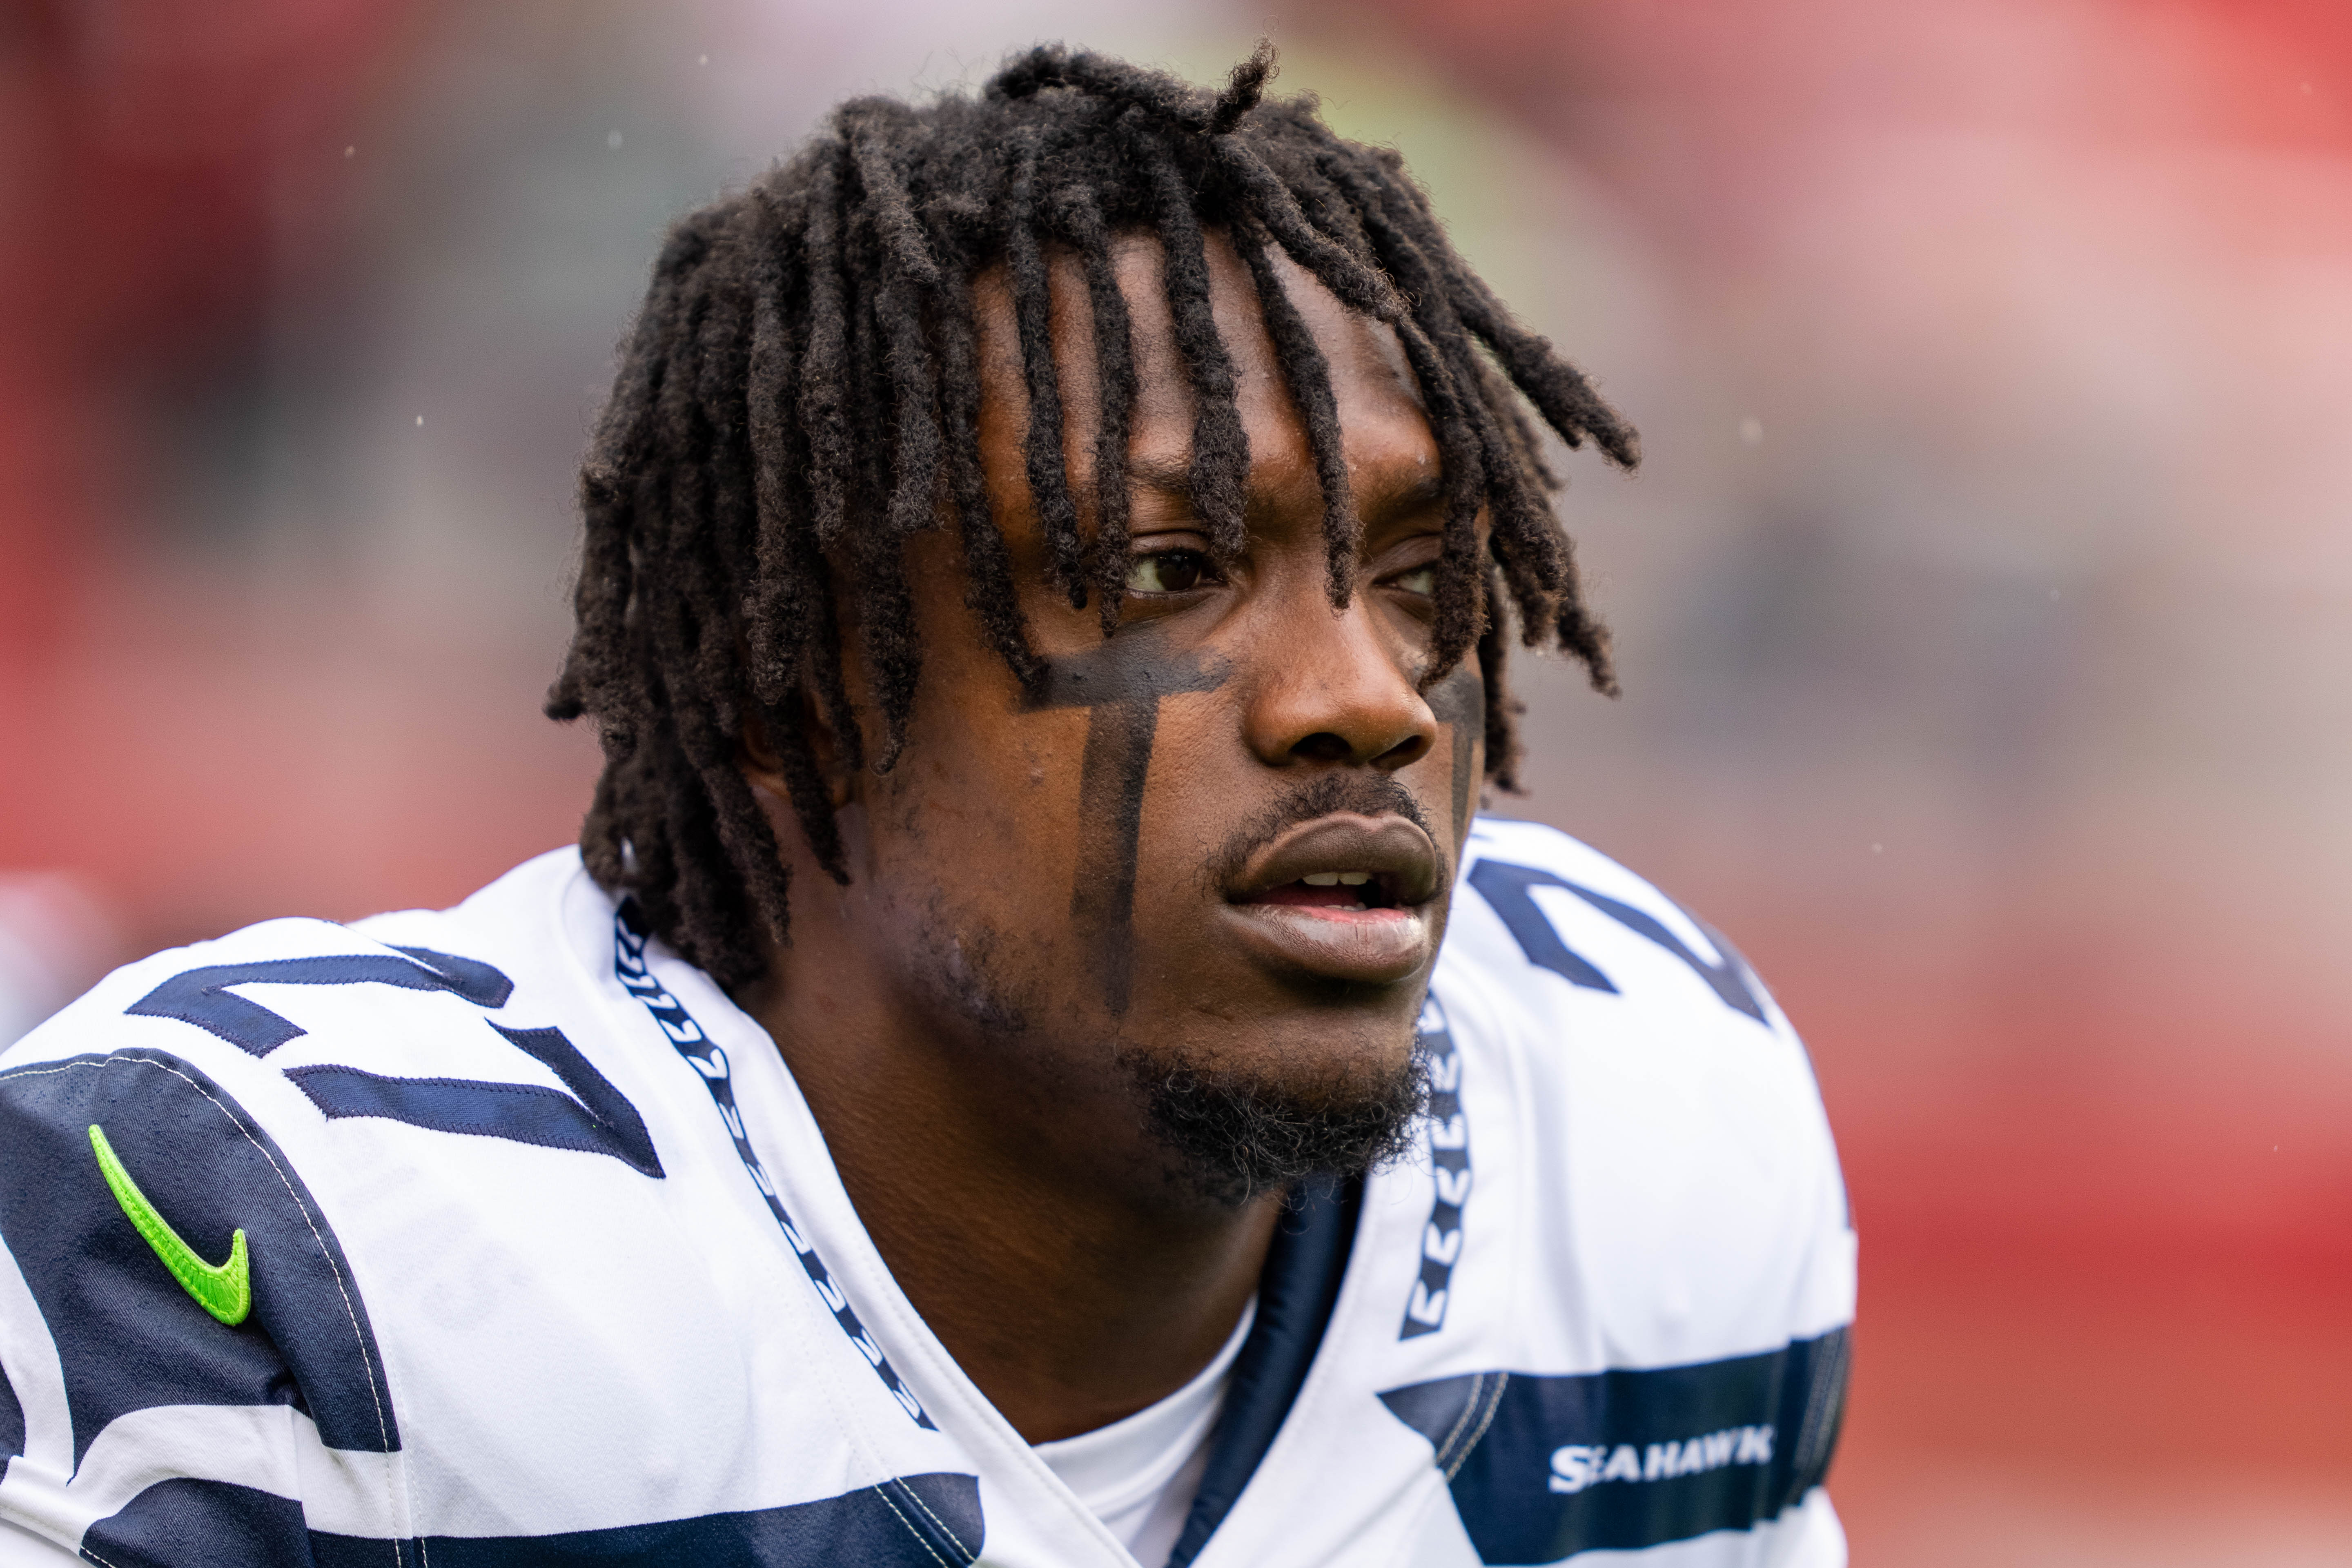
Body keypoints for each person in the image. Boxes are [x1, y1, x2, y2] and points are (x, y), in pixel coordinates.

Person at [0, 45, 1853, 1568]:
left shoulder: (1639, 1134)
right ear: (796, 694)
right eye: (1167, 567)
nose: (1364, 698)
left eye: (1429, 586)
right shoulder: (281, 1242)